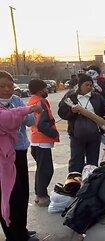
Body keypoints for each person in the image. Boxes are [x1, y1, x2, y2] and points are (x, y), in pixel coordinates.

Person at [0, 70, 41, 241]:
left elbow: (31, 121)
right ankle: (13, 235)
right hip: (4, 157)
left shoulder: (16, 100)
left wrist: (21, 113)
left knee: (22, 192)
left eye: (10, 86)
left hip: (20, 151)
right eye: (2, 86)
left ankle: (21, 229)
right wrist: (21, 113)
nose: (7, 89)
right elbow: (5, 119)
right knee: (10, 195)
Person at [58, 74, 105, 173]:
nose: (89, 87)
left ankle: (91, 183)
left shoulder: (96, 97)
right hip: (76, 135)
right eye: (86, 85)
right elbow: (61, 112)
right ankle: (75, 184)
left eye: (91, 85)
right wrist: (71, 112)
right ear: (80, 85)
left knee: (92, 162)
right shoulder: (71, 97)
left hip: (94, 135)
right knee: (76, 161)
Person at [27, 79, 59, 207]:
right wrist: (54, 133)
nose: (47, 90)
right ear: (41, 90)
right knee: (46, 170)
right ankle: (42, 196)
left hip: (36, 140)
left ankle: (39, 194)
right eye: (46, 88)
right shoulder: (41, 102)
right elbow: (41, 124)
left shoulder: (32, 100)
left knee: (41, 169)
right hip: (42, 141)